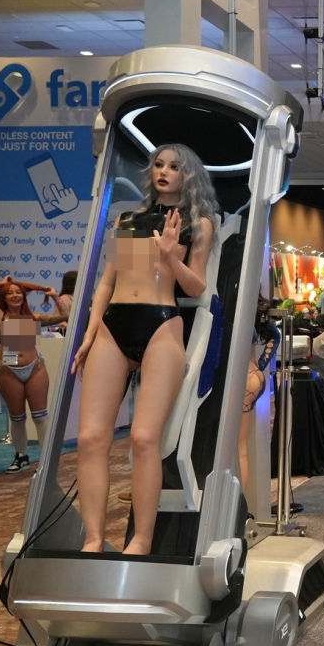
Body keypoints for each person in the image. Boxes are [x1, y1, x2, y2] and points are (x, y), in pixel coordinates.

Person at [71, 143, 218, 555]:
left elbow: (196, 286)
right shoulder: (128, 220)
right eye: (159, 164)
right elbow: (108, 281)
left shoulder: (198, 224)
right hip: (113, 325)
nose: (164, 171)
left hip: (162, 325)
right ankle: (93, 539)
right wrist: (89, 333)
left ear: (189, 175)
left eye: (174, 166)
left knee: (144, 437)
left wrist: (171, 256)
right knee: (90, 438)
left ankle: (141, 539)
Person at [0, 276, 59, 473]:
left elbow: (65, 316)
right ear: (4, 298)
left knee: (40, 417)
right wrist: (4, 282)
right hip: (10, 372)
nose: (15, 296)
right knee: (17, 418)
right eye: (10, 293)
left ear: (24, 296)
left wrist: (55, 297)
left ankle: (47, 460)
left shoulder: (31, 317)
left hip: (35, 369)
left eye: (18, 292)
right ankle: (21, 457)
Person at [239, 297, 280, 495]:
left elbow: (275, 336)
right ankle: (238, 505)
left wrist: (263, 363)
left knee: (238, 450)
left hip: (244, 379)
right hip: (253, 376)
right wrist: (261, 365)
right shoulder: (249, 307)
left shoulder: (236, 306)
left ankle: (237, 506)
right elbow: (275, 336)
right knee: (240, 450)